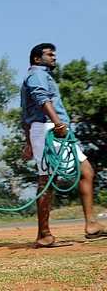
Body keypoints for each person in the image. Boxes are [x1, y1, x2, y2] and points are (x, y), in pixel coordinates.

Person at [20, 43, 107, 248]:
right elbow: (41, 99)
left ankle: (92, 225)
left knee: (86, 171)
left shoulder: (41, 75)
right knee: (47, 180)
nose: (54, 57)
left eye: (54, 54)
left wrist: (29, 142)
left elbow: (25, 113)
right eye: (50, 54)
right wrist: (58, 123)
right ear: (37, 59)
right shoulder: (36, 74)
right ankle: (44, 235)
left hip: (48, 129)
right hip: (49, 129)